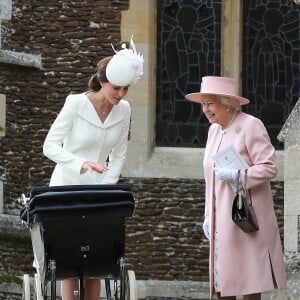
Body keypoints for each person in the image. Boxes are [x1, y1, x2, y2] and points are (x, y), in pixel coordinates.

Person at [43, 37, 143, 300]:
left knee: (94, 260)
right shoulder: (75, 103)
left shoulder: (124, 111)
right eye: (116, 88)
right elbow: (50, 146)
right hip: (66, 188)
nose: (120, 95)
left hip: (99, 193)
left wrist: (106, 186)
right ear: (102, 82)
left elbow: (119, 155)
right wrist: (82, 164)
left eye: (125, 89)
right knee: (69, 259)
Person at [185, 76, 287, 300]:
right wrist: (207, 215)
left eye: (210, 103)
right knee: (222, 286)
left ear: (228, 103)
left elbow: (270, 167)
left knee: (249, 284)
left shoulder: (251, 125)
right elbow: (209, 178)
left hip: (245, 218)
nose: (205, 110)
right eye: (203, 104)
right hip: (220, 221)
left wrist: (239, 176)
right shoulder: (214, 131)